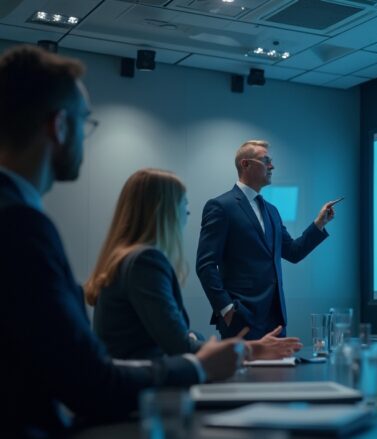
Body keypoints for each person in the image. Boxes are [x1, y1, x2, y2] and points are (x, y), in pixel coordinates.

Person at [0, 45, 244, 437]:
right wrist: (200, 365)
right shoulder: (21, 226)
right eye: (85, 121)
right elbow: (88, 382)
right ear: (59, 126)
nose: (86, 133)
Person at [86, 168, 302, 360]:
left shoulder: (127, 259)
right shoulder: (145, 262)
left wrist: (191, 337)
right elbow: (179, 346)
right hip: (141, 397)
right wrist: (252, 350)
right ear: (163, 210)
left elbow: (174, 338)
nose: (187, 212)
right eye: (183, 203)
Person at [197, 140, 337, 340]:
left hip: (275, 320)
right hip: (240, 319)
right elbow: (205, 265)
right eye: (266, 160)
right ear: (245, 164)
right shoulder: (220, 207)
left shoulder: (272, 211)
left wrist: (319, 224)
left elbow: (293, 252)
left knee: (281, 373)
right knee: (244, 373)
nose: (272, 166)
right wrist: (227, 310)